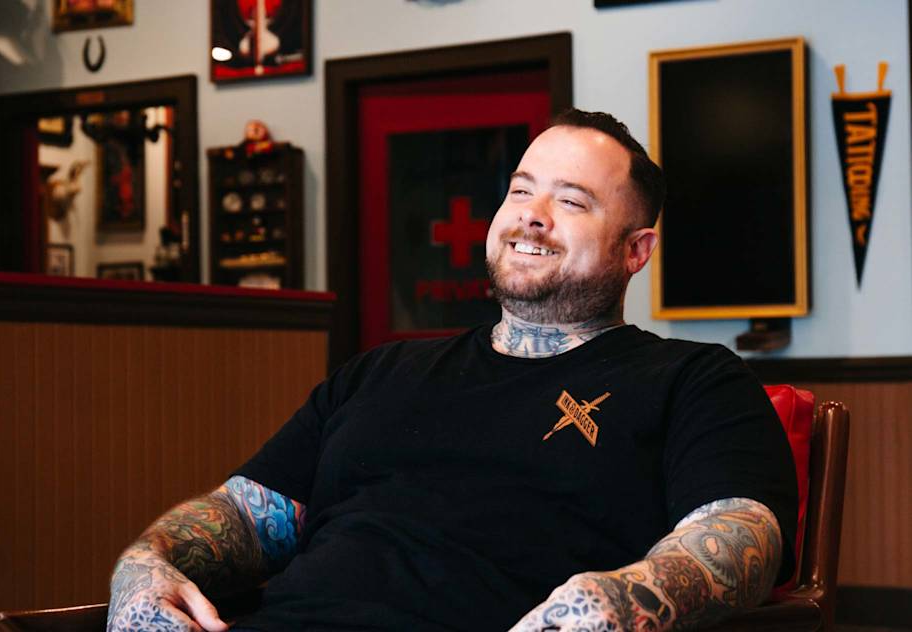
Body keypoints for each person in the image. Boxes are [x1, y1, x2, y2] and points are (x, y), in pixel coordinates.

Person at [106, 110, 798, 632]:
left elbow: (742, 534)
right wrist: (145, 561)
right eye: (521, 190)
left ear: (636, 250)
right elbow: (245, 515)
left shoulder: (693, 379)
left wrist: (624, 600)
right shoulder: (381, 371)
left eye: (571, 201)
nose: (532, 217)